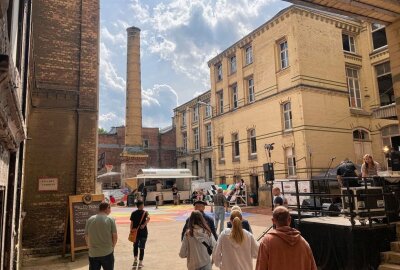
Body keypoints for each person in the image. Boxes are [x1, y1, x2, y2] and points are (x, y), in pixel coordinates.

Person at [84, 202, 117, 270]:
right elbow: (115, 236)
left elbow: (86, 235)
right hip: (107, 252)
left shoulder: (90, 219)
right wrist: (112, 246)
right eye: (110, 208)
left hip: (93, 253)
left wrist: (89, 246)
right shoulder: (110, 219)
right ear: (106, 208)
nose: (110, 210)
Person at [130, 200, 150, 268]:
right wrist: (144, 225)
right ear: (141, 205)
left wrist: (131, 231)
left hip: (135, 233)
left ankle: (135, 260)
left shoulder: (133, 213)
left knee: (135, 246)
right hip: (143, 232)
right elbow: (149, 218)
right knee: (142, 248)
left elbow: (131, 223)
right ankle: (140, 263)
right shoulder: (145, 212)